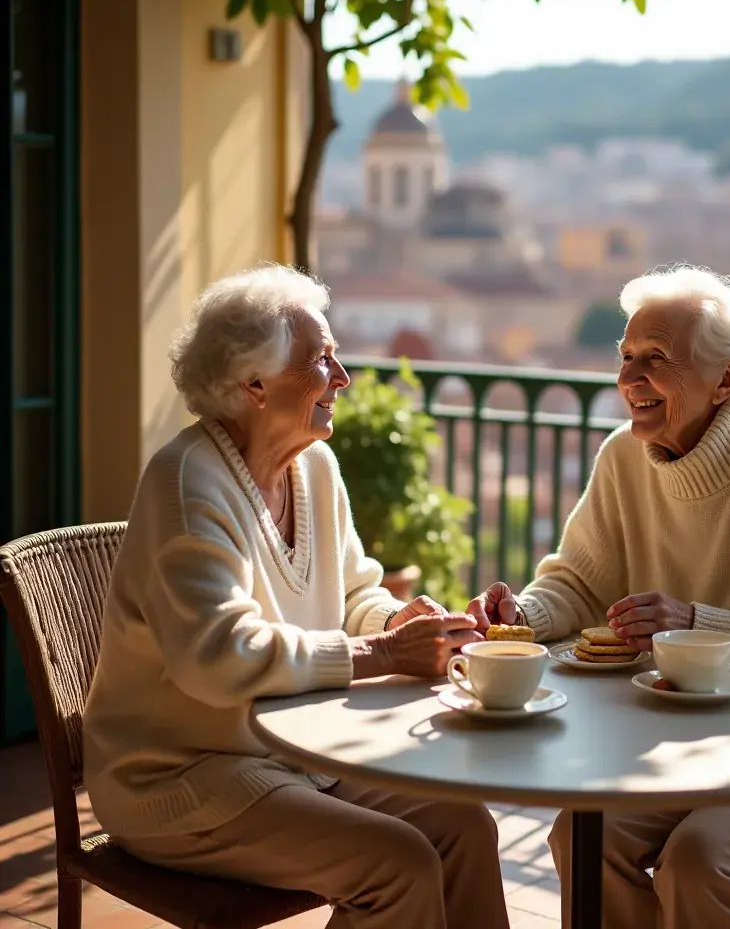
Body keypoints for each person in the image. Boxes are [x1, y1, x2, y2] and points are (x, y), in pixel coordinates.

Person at [468, 265, 730, 929]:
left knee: (702, 860)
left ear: (726, 379)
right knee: (582, 838)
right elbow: (579, 581)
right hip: (697, 747)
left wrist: (697, 625)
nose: (628, 380)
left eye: (656, 359)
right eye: (626, 358)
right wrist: (524, 614)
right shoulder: (622, 458)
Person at [83, 264, 509, 929]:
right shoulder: (187, 484)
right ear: (255, 383)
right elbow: (217, 656)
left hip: (294, 755)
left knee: (463, 827)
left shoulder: (313, 464)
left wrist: (404, 620)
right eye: (323, 361)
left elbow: (354, 591)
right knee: (398, 863)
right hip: (178, 778)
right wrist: (383, 650)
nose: (342, 379)